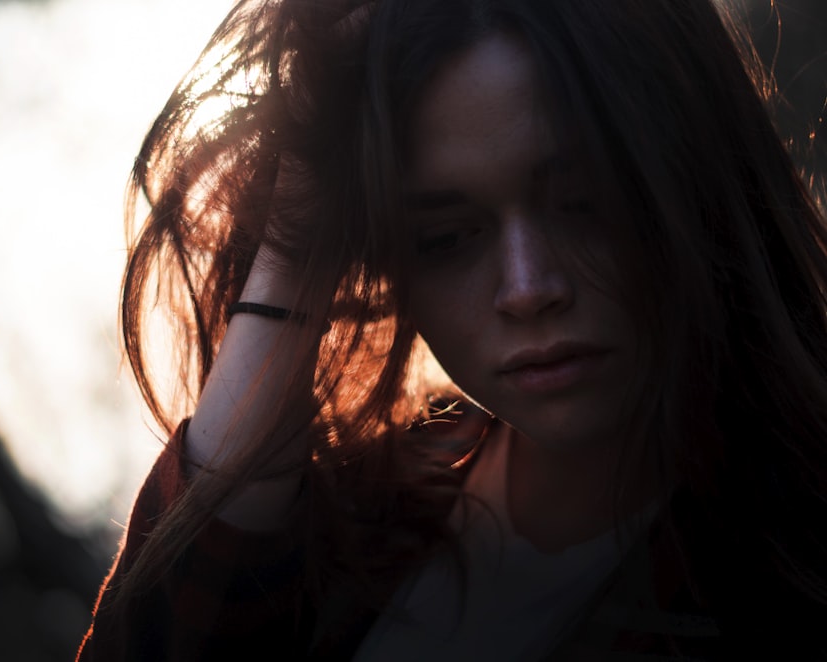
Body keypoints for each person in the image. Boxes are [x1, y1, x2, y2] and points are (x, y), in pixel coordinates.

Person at [77, 0, 827, 659]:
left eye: (584, 203)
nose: (528, 289)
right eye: (446, 237)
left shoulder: (790, 560)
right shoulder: (361, 522)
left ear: (691, 178)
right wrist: (288, 259)